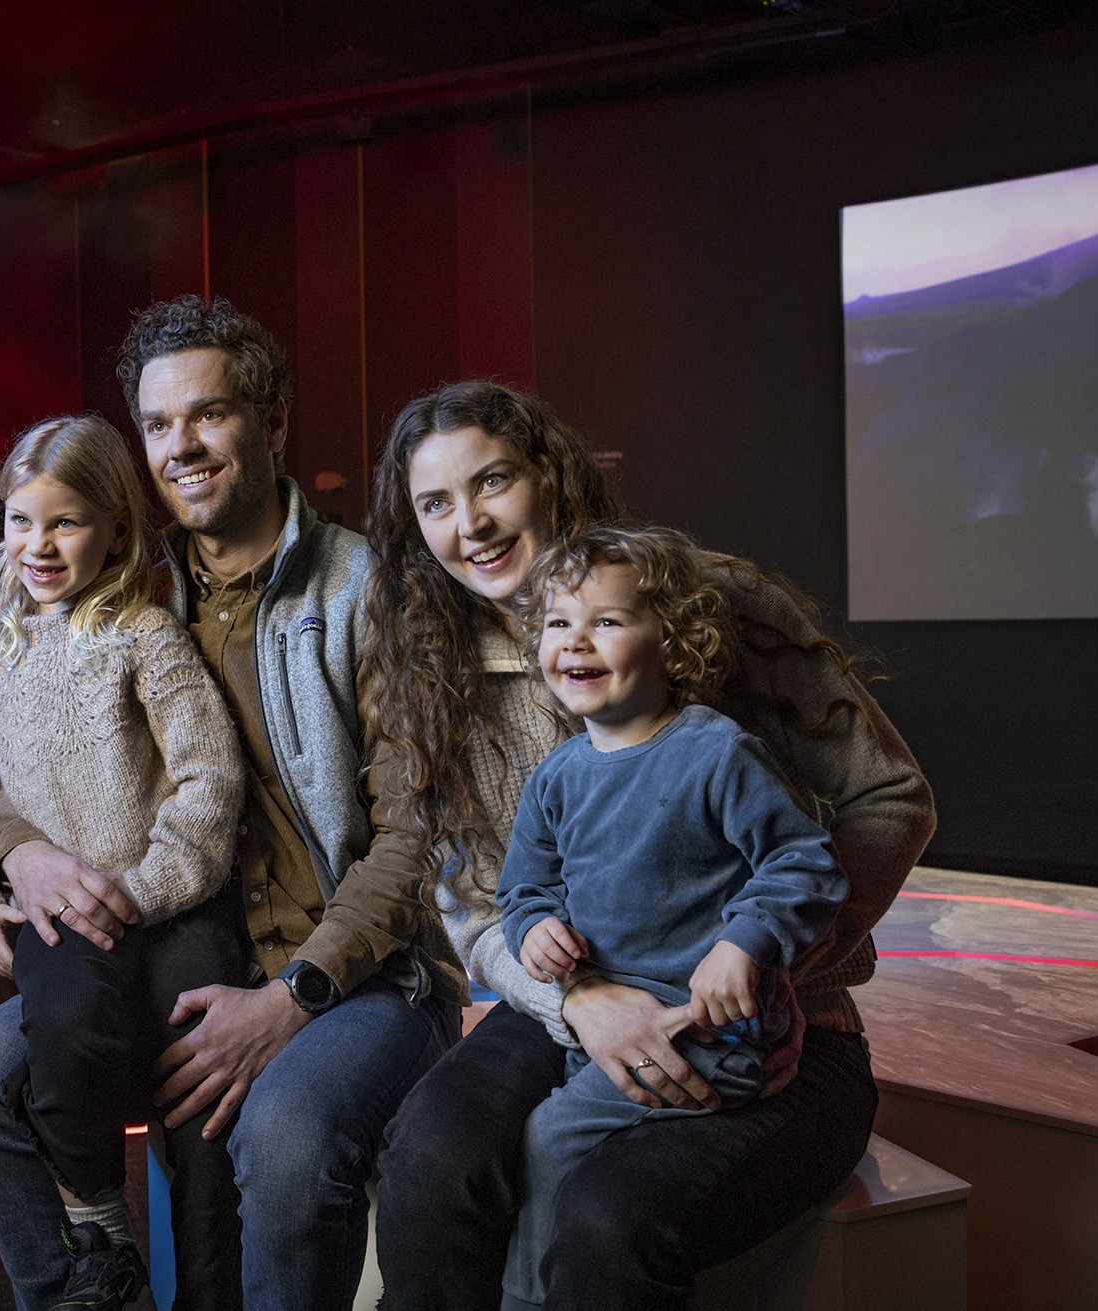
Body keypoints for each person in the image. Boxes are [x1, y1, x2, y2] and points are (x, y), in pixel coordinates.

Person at [0, 296, 465, 1311]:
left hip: (353, 976)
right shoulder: (120, 585)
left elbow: (413, 837)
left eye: (209, 415)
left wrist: (286, 1000)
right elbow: (12, 759)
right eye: (159, 424)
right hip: (165, 945)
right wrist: (21, 856)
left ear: (271, 424)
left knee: (284, 1133)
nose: (181, 446)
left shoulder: (369, 591)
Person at [363, 380, 936, 1311]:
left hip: (776, 1029)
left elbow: (890, 797)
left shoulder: (703, 599)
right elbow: (476, 907)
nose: (470, 524)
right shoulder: (433, 667)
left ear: (547, 472)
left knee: (609, 1220)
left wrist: (762, 966)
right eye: (436, 503)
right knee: (429, 1162)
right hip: (574, 1005)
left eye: (493, 480)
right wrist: (579, 999)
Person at [0, 413, 249, 1310]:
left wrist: (141, 892)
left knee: (203, 1102)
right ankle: (97, 1233)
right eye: (22, 520)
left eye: (64, 521)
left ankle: (212, 1293)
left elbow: (209, 776)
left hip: (170, 906)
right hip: (65, 916)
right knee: (63, 1029)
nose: (40, 543)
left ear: (113, 528)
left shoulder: (144, 635)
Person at [493, 525, 848, 1309]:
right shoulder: (556, 777)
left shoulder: (713, 752)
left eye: (607, 621)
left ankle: (524, 1302)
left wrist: (745, 943)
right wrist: (535, 930)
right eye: (558, 623)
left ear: (675, 641)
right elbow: (521, 891)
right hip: (604, 1031)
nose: (575, 641)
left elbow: (807, 863)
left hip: (705, 1033)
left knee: (550, 1136)